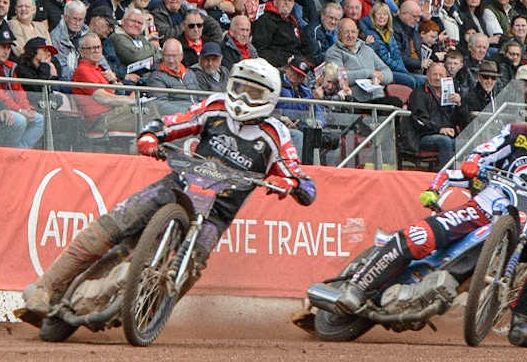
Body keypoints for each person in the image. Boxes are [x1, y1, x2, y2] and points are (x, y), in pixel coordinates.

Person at [19, 58, 316, 320]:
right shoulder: (215, 107)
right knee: (111, 225)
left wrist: (289, 183)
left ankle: (146, 314)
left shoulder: (275, 134)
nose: (242, 97)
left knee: (193, 264)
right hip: (177, 186)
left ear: (270, 98)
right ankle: (45, 289)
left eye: (254, 93)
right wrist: (151, 136)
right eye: (240, 88)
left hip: (216, 213)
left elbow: (304, 182)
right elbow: (176, 122)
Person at [334, 91, 527, 348]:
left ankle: (522, 323)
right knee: (421, 236)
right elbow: (484, 151)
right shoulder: (517, 134)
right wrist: (473, 162)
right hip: (482, 209)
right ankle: (359, 287)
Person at [0, 29, 45, 149]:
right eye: (2, 47)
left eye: (8, 48)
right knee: (20, 120)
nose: (6, 51)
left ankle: (20, 151)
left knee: (40, 120)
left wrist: (26, 108)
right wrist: (20, 111)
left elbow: (19, 91)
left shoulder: (9, 65)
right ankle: (10, 153)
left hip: (12, 108)